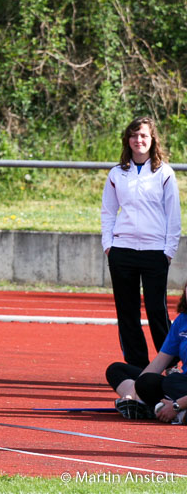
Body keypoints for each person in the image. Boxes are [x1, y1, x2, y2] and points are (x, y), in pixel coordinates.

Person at [101, 116, 180, 368]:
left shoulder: (164, 173)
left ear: (152, 139)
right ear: (128, 140)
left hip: (155, 252)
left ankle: (168, 366)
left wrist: (169, 250)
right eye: (134, 136)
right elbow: (108, 211)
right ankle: (136, 367)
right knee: (127, 313)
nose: (139, 140)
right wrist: (108, 245)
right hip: (122, 251)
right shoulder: (117, 173)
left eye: (144, 135)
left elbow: (173, 215)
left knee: (157, 311)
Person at [106, 284, 187, 424]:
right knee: (120, 372)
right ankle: (153, 407)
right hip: (181, 385)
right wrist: (132, 393)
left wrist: (177, 405)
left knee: (171, 382)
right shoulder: (182, 320)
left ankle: (172, 411)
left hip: (178, 388)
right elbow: (159, 362)